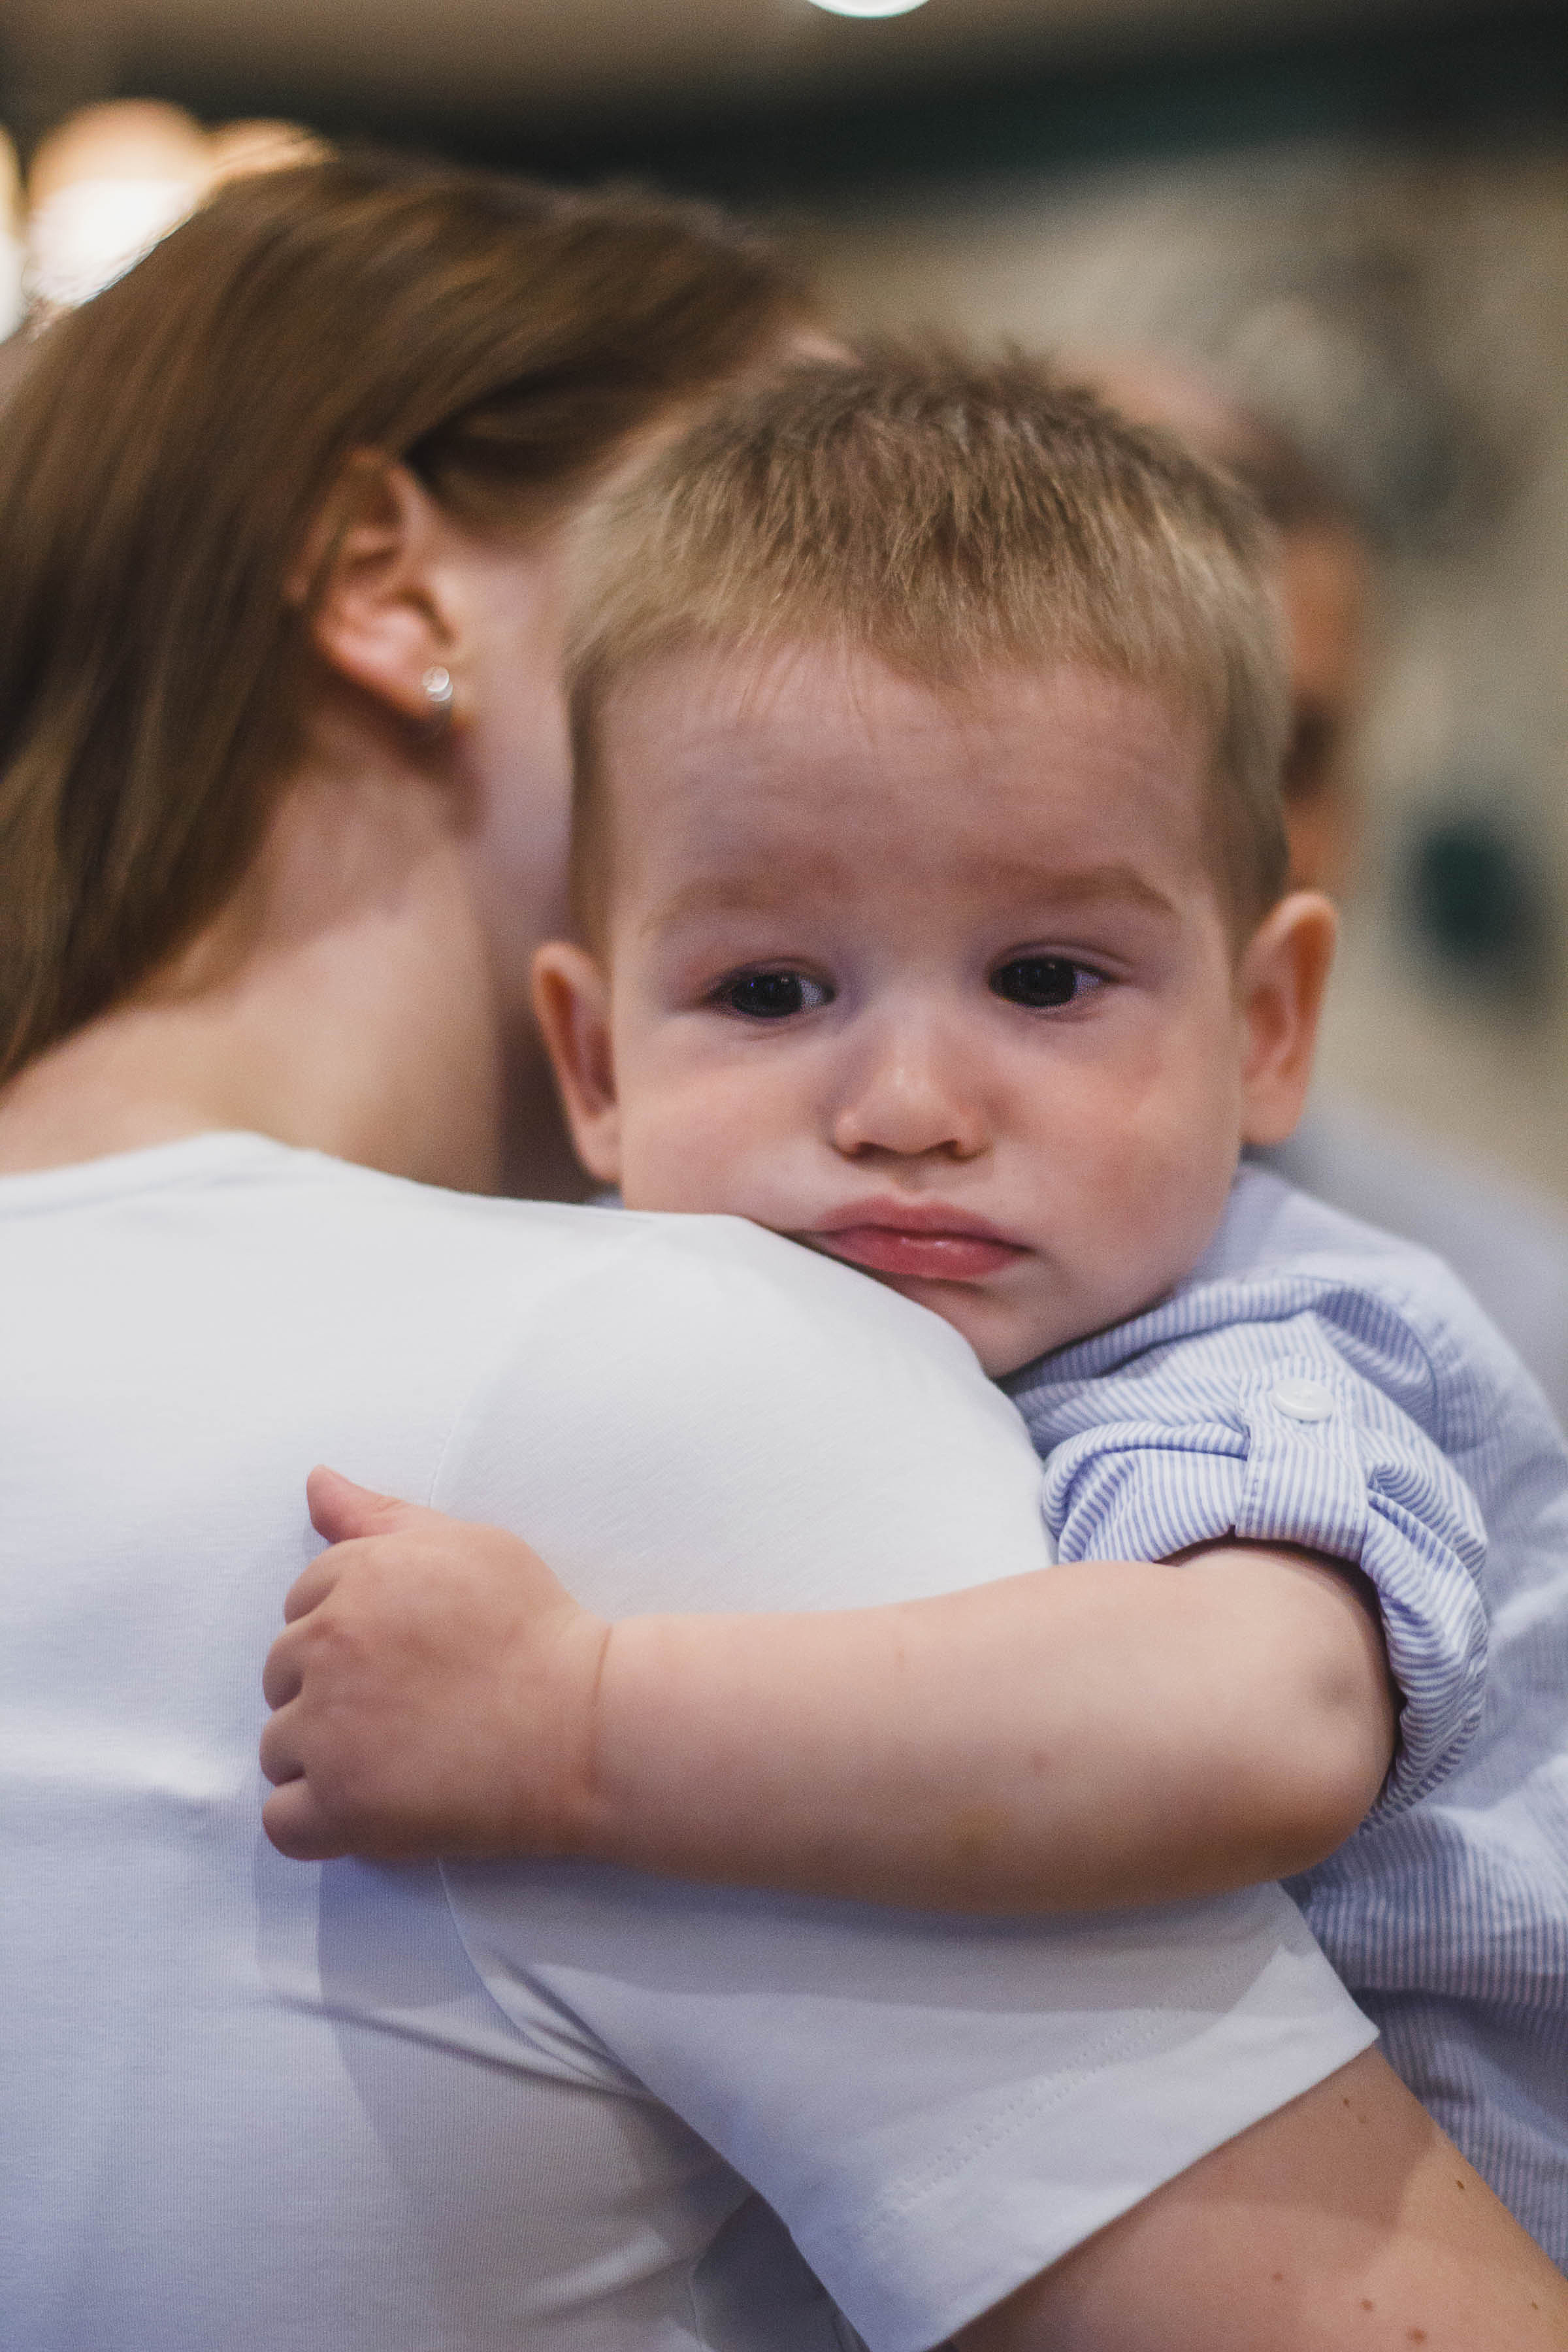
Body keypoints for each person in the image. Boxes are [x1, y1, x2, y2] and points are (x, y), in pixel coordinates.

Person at [0, 159, 1561, 2351]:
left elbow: (1272, 1712)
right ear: (385, 588)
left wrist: (583, 1716)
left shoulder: (1235, 1339)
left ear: (1269, 1017)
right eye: (721, 510)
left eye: (1042, 974)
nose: (909, 1096)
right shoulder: (702, 1358)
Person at [1086, 351, 1568, 1428]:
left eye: (1295, 754)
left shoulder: (1512, 1344)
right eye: (1148, 749)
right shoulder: (718, 1252)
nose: (1237, 841)